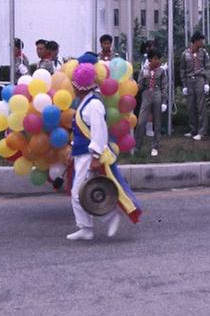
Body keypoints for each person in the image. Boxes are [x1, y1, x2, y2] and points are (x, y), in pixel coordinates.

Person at [68, 63, 142, 241]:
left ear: (80, 87)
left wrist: (95, 157)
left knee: (80, 192)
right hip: (82, 153)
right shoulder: (85, 102)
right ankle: (86, 227)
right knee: (83, 192)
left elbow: (99, 133)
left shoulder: (93, 105)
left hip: (89, 154)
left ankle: (106, 217)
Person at [135, 50, 168, 157]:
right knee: (141, 121)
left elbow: (164, 87)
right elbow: (139, 84)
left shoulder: (161, 71)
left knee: (157, 122)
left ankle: (155, 146)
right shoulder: (144, 70)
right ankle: (137, 146)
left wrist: (164, 101)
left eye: (158, 59)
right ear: (149, 59)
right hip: (146, 94)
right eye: (155, 59)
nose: (157, 61)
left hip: (157, 93)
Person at [180, 32, 210, 141]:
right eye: (201, 40)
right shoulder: (185, 54)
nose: (202, 43)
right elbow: (182, 70)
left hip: (200, 79)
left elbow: (208, 68)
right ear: (196, 41)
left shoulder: (204, 53)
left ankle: (202, 131)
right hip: (189, 80)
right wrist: (184, 85)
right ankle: (193, 129)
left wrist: (207, 82)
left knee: (201, 105)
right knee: (190, 106)